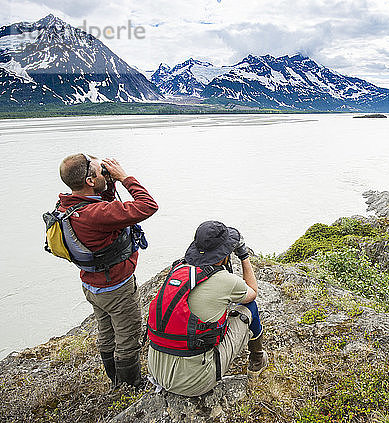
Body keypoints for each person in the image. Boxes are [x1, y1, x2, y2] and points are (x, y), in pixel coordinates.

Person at [56, 153, 158, 387]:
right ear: (90, 181)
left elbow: (106, 210)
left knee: (106, 332)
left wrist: (107, 185)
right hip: (116, 288)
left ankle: (113, 379)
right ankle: (130, 386)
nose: (105, 171)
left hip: (92, 285)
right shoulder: (97, 215)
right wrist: (125, 178)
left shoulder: (69, 204)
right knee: (127, 337)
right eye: (99, 170)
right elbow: (148, 205)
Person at [147, 220, 268, 397]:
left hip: (157, 371)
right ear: (224, 253)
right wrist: (244, 256)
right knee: (250, 307)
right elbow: (253, 292)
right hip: (194, 383)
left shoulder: (178, 269)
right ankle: (257, 361)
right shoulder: (227, 281)